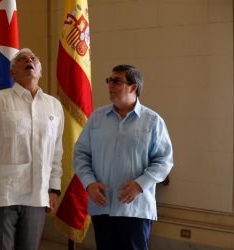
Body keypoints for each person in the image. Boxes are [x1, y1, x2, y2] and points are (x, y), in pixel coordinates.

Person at [0, 48, 64, 250]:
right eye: (22, 59)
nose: (29, 60)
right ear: (12, 73)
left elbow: (56, 152)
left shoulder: (54, 106)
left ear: (40, 71)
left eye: (33, 58)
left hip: (38, 195)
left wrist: (54, 189)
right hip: (2, 194)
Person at [74, 65, 173, 250]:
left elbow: (164, 161)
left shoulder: (152, 121)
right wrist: (89, 183)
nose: (110, 85)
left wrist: (139, 184)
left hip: (135, 208)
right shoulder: (96, 118)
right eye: (109, 80)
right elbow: (81, 154)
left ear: (133, 87)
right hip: (102, 205)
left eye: (117, 81)